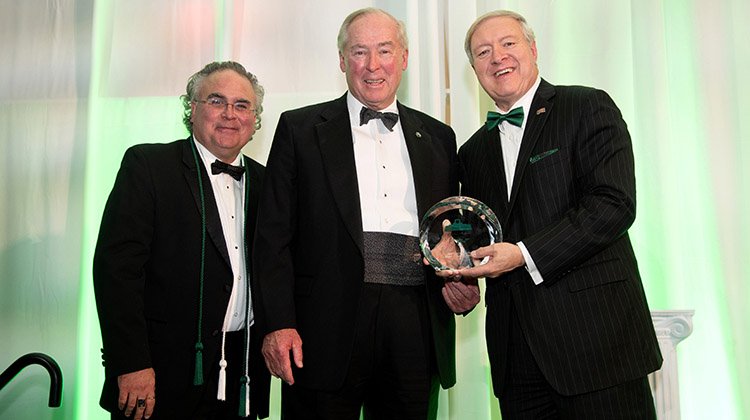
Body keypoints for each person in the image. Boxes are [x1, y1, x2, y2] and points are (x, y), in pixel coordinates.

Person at [252, 7, 479, 420]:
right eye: (359, 52)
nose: (373, 65)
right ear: (341, 61)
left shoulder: (440, 138)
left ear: (405, 58)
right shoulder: (299, 130)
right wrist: (278, 322)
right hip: (322, 328)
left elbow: (453, 230)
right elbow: (272, 238)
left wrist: (462, 279)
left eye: (385, 50)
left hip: (416, 324)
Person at [449, 10, 663, 419]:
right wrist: (458, 278)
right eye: (483, 51)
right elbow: (479, 237)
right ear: (474, 68)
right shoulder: (472, 152)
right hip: (517, 359)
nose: (497, 57)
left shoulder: (586, 106)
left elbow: (614, 203)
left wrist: (525, 254)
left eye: (508, 44)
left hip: (597, 346)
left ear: (533, 48)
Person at [93, 61, 271, 419]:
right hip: (158, 376)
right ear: (192, 109)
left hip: (242, 373)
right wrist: (131, 363)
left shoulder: (268, 183)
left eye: (241, 105)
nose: (229, 114)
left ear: (255, 119)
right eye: (216, 101)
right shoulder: (148, 165)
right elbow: (117, 273)